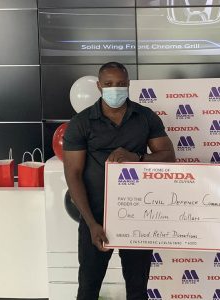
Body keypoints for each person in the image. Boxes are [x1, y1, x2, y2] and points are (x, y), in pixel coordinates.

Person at [62, 62, 175, 300]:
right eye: (110, 84)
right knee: (88, 289)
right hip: (96, 216)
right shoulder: (81, 122)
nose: (116, 89)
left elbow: (168, 157)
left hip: (137, 216)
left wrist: (137, 157)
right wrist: (91, 223)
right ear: (99, 86)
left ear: (129, 84)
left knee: (137, 290)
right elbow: (73, 174)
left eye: (121, 84)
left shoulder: (145, 116)